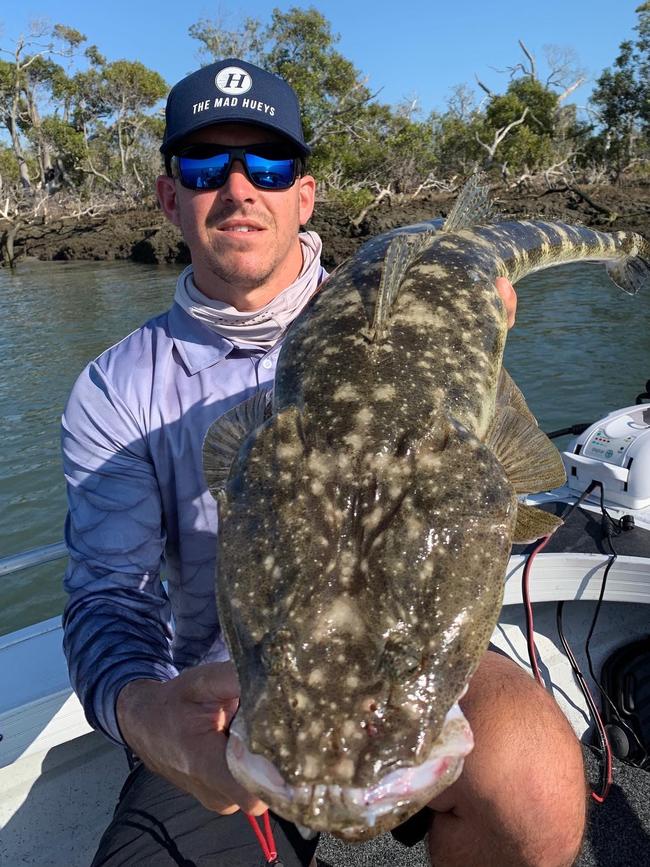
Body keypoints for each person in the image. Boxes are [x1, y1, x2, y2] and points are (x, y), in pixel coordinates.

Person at [61, 58, 585, 867]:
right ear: (169, 196)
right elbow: (106, 596)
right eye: (206, 166)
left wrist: (482, 351)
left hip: (410, 658)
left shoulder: (426, 310)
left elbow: (488, 491)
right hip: (234, 699)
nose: (240, 189)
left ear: (304, 195)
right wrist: (146, 713)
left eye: (267, 165)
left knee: (539, 784)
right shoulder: (115, 390)